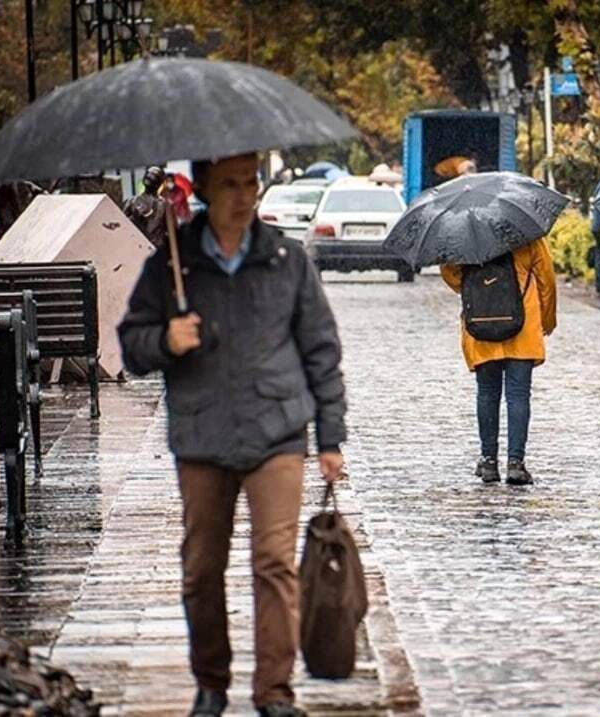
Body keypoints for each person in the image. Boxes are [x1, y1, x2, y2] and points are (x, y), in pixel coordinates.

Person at [118, 153, 346, 717]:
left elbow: (321, 350)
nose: (243, 195)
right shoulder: (175, 263)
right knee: (201, 566)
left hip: (277, 430)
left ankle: (274, 692)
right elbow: (130, 345)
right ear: (204, 190)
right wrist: (165, 341)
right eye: (230, 185)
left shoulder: (287, 260)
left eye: (251, 183)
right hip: (202, 433)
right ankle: (211, 682)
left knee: (274, 562)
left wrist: (330, 438)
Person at [440, 238, 557, 485]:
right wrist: (547, 320)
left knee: (487, 394)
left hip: (481, 326)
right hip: (523, 328)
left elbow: (450, 274)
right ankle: (516, 463)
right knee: (518, 396)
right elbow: (547, 279)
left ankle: (489, 461)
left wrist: (480, 286)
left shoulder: (463, 238)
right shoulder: (528, 237)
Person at [122, 166, 169, 249]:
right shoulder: (132, 201)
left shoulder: (164, 205)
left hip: (155, 248)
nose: (150, 177)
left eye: (154, 176)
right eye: (148, 175)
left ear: (159, 183)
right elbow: (122, 224)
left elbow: (170, 229)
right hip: (135, 245)